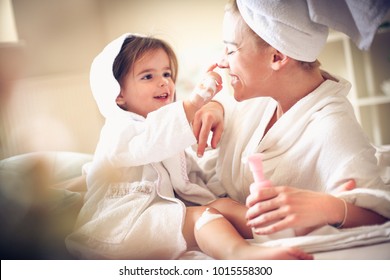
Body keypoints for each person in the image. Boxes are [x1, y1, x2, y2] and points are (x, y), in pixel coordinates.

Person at [65, 33, 313, 260]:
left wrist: (217, 192)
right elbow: (153, 141)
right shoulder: (119, 130)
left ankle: (287, 227)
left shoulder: (164, 129)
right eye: (148, 76)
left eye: (167, 74)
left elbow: (189, 177)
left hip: (155, 211)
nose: (163, 83)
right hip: (122, 224)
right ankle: (240, 254)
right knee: (202, 217)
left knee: (222, 206)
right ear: (118, 94)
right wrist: (196, 101)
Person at [192, 0, 390, 239]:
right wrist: (215, 106)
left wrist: (330, 208)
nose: (222, 62)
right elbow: (228, 104)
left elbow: (382, 216)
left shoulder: (331, 128)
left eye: (231, 50)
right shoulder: (262, 96)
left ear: (277, 57)